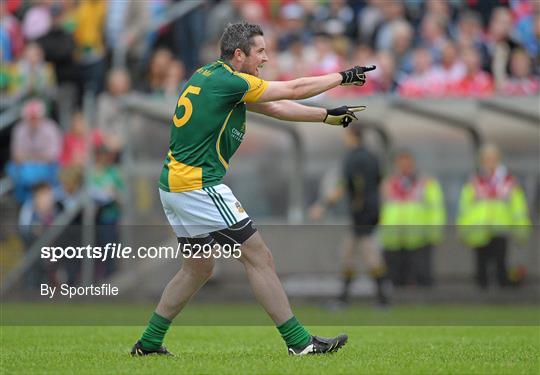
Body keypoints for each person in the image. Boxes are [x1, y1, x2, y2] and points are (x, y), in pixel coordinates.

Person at [131, 22, 375, 357]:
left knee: (198, 267)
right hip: (197, 185)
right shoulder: (229, 81)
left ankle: (149, 342)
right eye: (259, 51)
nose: (265, 57)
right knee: (259, 256)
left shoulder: (212, 76)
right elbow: (293, 89)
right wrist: (343, 77)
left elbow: (274, 107)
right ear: (239, 54)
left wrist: (324, 116)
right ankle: (300, 342)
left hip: (175, 185)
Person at [309, 126, 389, 307]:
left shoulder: (351, 159)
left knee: (367, 254)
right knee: (350, 252)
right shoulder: (372, 157)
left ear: (353, 136)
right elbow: (380, 183)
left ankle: (381, 299)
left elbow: (342, 185)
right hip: (372, 212)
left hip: (360, 214)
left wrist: (323, 205)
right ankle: (346, 298)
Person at [457, 144, 530, 290]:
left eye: (492, 159)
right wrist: (463, 230)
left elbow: (519, 209)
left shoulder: (509, 182)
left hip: (501, 229)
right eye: (486, 159)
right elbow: (464, 209)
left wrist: (521, 230)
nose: (489, 162)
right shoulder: (473, 182)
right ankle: (482, 298)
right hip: (479, 231)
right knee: (481, 266)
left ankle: (502, 299)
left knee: (501, 265)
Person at [379, 150, 445, 287]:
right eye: (400, 164)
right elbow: (382, 209)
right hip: (393, 237)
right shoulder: (388, 183)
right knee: (394, 277)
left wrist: (434, 232)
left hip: (418, 237)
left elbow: (436, 209)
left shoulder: (426, 183)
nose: (404, 167)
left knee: (422, 276)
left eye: (407, 164)